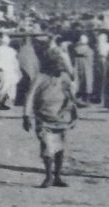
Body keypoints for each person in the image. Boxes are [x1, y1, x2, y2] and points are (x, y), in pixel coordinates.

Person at [22, 51, 78, 188]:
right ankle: (48, 176)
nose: (60, 69)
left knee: (60, 148)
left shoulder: (64, 77)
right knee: (47, 147)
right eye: (58, 67)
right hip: (43, 117)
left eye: (62, 67)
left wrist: (74, 114)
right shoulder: (40, 78)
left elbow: (71, 96)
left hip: (61, 118)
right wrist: (26, 116)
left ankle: (58, 176)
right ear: (51, 66)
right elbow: (30, 97)